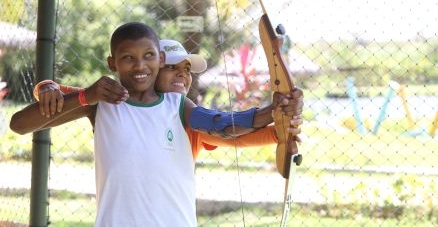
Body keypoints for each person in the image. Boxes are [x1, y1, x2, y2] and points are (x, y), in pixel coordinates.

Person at [10, 22, 304, 226]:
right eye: (129, 58)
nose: (140, 66)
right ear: (113, 63)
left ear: (157, 58)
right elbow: (22, 123)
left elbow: (224, 126)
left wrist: (276, 113)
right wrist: (65, 90)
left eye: (149, 57)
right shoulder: (103, 101)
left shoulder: (178, 107)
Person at [33, 39, 301, 160]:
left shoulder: (187, 115)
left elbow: (231, 131)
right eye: (173, 68)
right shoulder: (114, 100)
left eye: (187, 70)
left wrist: (282, 126)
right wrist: (46, 87)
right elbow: (60, 92)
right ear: (152, 68)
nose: (183, 75)